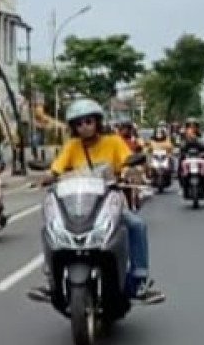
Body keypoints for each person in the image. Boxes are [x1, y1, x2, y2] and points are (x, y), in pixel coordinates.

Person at [27, 98, 165, 304]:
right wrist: (46, 177)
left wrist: (130, 171)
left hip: (108, 200)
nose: (84, 127)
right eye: (79, 123)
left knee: (137, 225)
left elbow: (127, 162)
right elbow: (56, 169)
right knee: (51, 226)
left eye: (88, 121)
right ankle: (51, 280)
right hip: (78, 203)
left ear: (97, 122)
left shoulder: (114, 142)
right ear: (74, 127)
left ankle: (139, 280)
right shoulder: (72, 146)